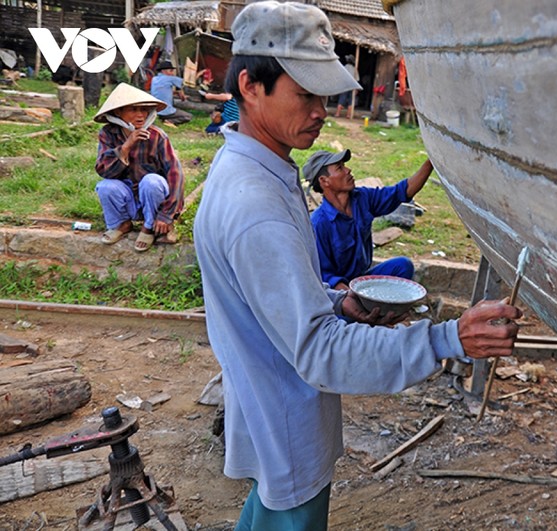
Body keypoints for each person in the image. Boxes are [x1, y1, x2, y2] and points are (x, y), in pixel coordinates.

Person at [192, 2, 520, 529]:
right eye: (305, 94)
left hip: (266, 410)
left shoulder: (248, 171)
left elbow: (272, 300)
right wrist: (447, 339)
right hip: (288, 424)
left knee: (265, 510)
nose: (322, 109)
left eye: (323, 94)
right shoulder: (257, 207)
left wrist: (337, 301)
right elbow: (319, 351)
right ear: (251, 86)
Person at [304, 149, 433, 290]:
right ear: (324, 181)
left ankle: (373, 308)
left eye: (344, 165)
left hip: (362, 282)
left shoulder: (362, 198)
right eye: (340, 168)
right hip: (340, 293)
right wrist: (352, 300)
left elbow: (401, 192)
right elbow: (325, 277)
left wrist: (431, 161)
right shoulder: (319, 224)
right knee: (343, 310)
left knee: (402, 266)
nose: (348, 170)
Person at [94, 83, 185, 252]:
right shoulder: (108, 133)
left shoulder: (157, 136)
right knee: (105, 186)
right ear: (117, 112)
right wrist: (126, 147)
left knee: (152, 181)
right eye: (133, 110)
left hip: (152, 199)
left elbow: (175, 174)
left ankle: (149, 226)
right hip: (128, 198)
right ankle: (121, 223)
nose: (140, 115)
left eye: (144, 110)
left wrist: (166, 215)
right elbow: (103, 170)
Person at [150, 61, 192, 125]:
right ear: (164, 71)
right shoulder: (170, 79)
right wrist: (198, 74)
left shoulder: (154, 79)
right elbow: (187, 82)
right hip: (166, 111)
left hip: (155, 110)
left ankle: (162, 119)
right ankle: (170, 121)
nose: (172, 73)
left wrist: (176, 92)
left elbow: (162, 90)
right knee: (188, 116)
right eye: (171, 70)